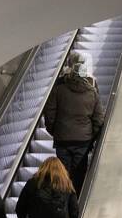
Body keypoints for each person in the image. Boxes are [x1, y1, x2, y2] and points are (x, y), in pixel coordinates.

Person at [42, 51, 103, 193]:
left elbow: (49, 113)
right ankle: (76, 204)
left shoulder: (59, 88)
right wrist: (90, 136)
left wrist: (55, 130)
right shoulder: (92, 90)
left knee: (62, 175)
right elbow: (98, 118)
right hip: (83, 141)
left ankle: (63, 201)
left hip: (62, 139)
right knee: (79, 174)